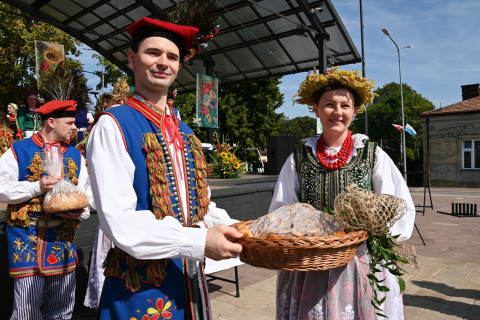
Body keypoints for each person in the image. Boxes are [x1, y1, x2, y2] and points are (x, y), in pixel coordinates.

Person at [86, 17, 242, 319]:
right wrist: (199, 240)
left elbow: (201, 205)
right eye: (152, 53)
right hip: (140, 286)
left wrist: (239, 230)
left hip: (189, 279)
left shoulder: (184, 131)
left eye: (172, 57)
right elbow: (122, 224)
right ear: (132, 59)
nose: (163, 63)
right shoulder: (113, 123)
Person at [269, 67, 416, 320]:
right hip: (310, 266)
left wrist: (373, 236)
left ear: (355, 111)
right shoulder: (299, 158)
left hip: (361, 263)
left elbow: (398, 207)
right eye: (329, 104)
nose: (337, 112)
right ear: (315, 108)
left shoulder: (372, 154)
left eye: (345, 106)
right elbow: (281, 211)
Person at [0, 100, 91, 319]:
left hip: (63, 239)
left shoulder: (75, 155)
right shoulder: (19, 150)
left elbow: (86, 194)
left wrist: (80, 212)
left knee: (62, 306)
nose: (74, 128)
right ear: (51, 122)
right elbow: (1, 188)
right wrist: (37, 187)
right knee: (26, 308)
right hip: (27, 238)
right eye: (69, 123)